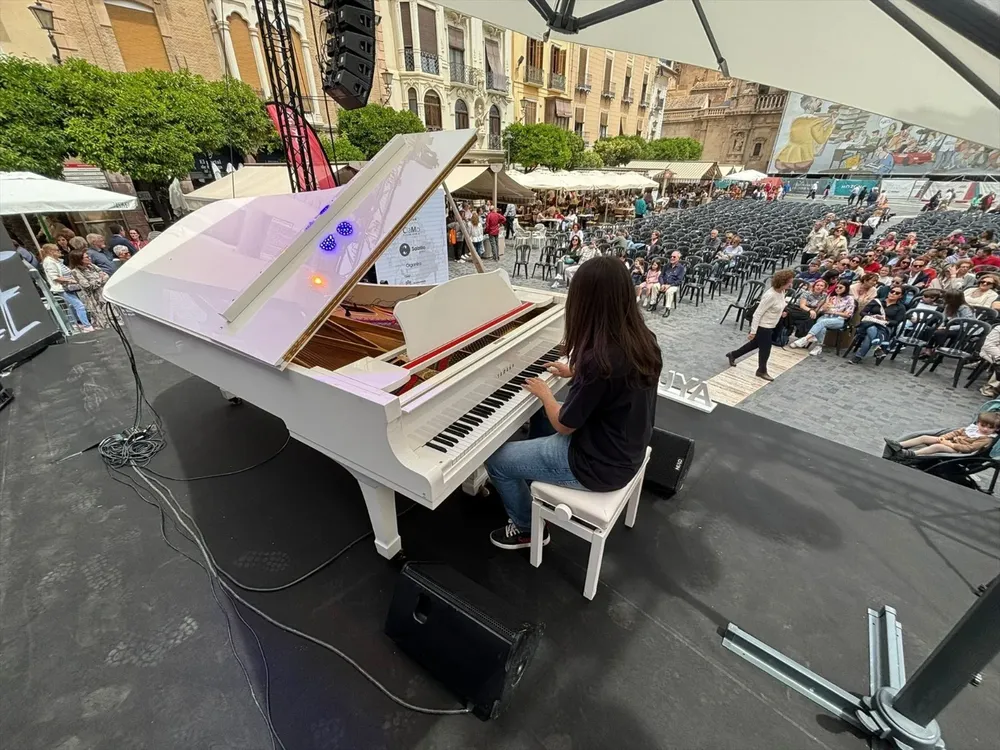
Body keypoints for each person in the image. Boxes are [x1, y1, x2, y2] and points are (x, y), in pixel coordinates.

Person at [485, 256, 661, 550]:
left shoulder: (599, 361)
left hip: (596, 465)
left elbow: (564, 425)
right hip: (626, 449)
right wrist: (575, 371)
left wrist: (545, 393)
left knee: (496, 460)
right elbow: (614, 383)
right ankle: (533, 479)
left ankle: (529, 530)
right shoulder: (643, 339)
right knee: (539, 424)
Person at [725, 269, 795, 382]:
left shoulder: (782, 292)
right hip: (764, 326)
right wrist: (753, 331)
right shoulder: (770, 295)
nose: (791, 284)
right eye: (789, 282)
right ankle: (761, 370)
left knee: (754, 345)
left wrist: (782, 312)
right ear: (782, 282)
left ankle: (733, 354)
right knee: (765, 349)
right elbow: (758, 313)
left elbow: (778, 306)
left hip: (772, 324)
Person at [887, 412, 1000, 458]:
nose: (985, 429)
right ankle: (900, 444)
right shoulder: (972, 429)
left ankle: (912, 454)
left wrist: (948, 444)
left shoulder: (986, 439)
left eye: (990, 428)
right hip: (951, 442)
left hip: (958, 450)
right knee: (925, 437)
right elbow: (956, 432)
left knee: (938, 446)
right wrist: (944, 437)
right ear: (978, 423)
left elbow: (969, 448)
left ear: (995, 429)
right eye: (983, 425)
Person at [789, 280, 855, 355]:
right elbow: (823, 310)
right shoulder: (831, 296)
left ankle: (805, 338)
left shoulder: (849, 298)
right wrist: (824, 308)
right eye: (836, 287)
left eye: (840, 287)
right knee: (821, 325)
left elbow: (848, 314)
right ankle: (818, 347)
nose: (837, 289)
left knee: (822, 322)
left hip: (839, 319)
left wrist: (833, 312)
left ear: (846, 288)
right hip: (826, 316)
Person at [40, 243, 93, 332]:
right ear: (50, 251)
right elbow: (55, 277)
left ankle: (77, 323)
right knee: (79, 305)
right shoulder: (49, 262)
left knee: (72, 306)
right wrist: (71, 280)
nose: (59, 251)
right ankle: (86, 325)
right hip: (62, 287)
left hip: (68, 287)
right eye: (57, 250)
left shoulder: (57, 261)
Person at [849, 287, 907, 365]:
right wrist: (873, 316)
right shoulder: (877, 301)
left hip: (885, 327)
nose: (893, 294)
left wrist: (885, 321)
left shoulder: (901, 307)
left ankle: (859, 356)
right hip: (869, 323)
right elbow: (862, 312)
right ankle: (876, 348)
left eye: (897, 293)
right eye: (892, 291)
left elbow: (896, 322)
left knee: (870, 334)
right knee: (871, 328)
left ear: (901, 296)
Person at [66, 246, 110, 329]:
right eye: (86, 257)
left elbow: (105, 275)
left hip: (104, 295)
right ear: (79, 259)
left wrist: (100, 279)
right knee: (103, 322)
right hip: (95, 300)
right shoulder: (76, 272)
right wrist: (100, 279)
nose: (89, 258)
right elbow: (88, 286)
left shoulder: (92, 266)